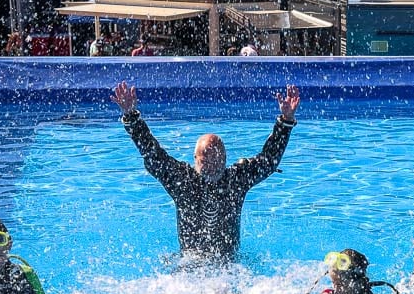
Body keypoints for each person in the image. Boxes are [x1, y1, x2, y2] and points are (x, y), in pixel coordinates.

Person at [112, 81, 300, 261]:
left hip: (228, 265)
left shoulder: (236, 179)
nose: (212, 165)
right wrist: (131, 117)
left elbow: (268, 161)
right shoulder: (181, 179)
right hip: (190, 263)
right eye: (206, 160)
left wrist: (285, 122)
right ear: (195, 159)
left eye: (217, 160)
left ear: (225, 160)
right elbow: (152, 153)